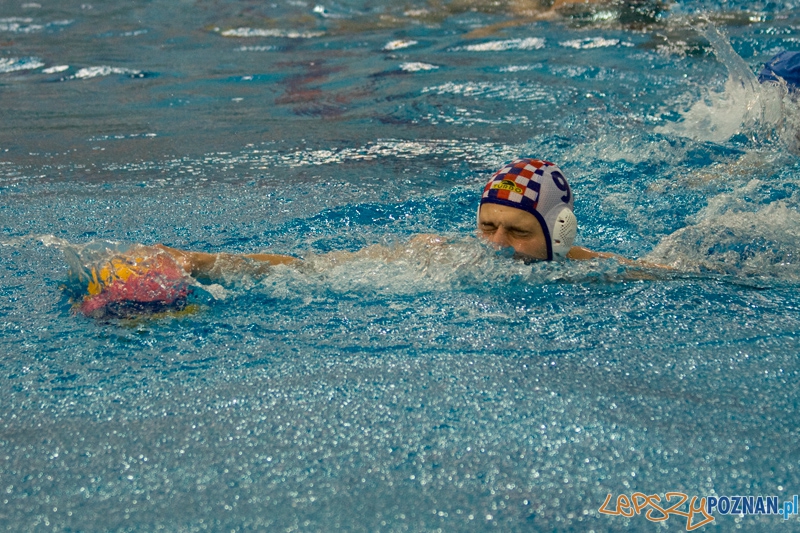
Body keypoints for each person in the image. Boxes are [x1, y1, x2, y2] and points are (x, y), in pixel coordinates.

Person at [68, 158, 635, 317]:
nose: (495, 246)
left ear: (558, 233)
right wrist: (196, 260)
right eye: (488, 226)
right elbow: (310, 267)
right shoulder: (439, 257)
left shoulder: (597, 270)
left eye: (516, 233)